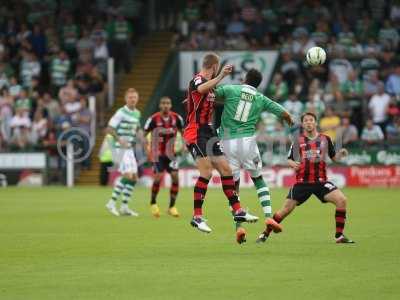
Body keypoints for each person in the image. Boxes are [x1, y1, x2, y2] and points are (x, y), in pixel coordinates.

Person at [215, 68, 294, 244]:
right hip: (247, 141)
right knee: (258, 179)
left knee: (233, 186)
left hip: (227, 142)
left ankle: (239, 227)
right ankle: (268, 216)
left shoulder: (231, 89)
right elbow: (281, 111)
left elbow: (211, 93)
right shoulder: (260, 98)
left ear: (244, 79)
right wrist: (289, 119)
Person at [183, 52, 258, 234]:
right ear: (215, 66)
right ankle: (197, 216)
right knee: (207, 171)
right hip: (196, 131)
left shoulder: (210, 87)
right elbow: (200, 90)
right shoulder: (198, 80)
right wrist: (222, 76)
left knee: (226, 169)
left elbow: (204, 96)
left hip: (208, 131)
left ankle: (238, 210)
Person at [257, 112, 355, 244]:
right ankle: (264, 234)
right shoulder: (298, 141)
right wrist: (293, 164)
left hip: (321, 182)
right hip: (302, 182)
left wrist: (341, 154)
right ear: (303, 124)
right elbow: (289, 160)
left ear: (315, 123)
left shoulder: (325, 139)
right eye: (306, 121)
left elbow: (334, 158)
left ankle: (339, 236)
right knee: (285, 210)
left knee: (341, 200)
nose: (308, 122)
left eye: (311, 120)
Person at [144, 97, 184, 218]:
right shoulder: (153, 119)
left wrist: (184, 145)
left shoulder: (177, 118)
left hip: (171, 154)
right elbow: (143, 134)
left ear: (171, 105)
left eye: (168, 103)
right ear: (160, 105)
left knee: (175, 178)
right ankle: (153, 203)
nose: (165, 105)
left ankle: (172, 206)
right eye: (163, 103)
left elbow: (184, 132)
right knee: (158, 177)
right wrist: (147, 149)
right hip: (158, 154)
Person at [105, 88, 142, 217]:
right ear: (126, 99)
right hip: (119, 148)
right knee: (127, 175)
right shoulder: (120, 112)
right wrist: (119, 139)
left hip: (129, 149)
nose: (132, 100)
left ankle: (125, 207)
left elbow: (137, 128)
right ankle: (111, 203)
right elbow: (109, 129)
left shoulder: (137, 113)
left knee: (134, 178)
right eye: (130, 97)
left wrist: (143, 140)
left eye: (134, 97)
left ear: (137, 99)